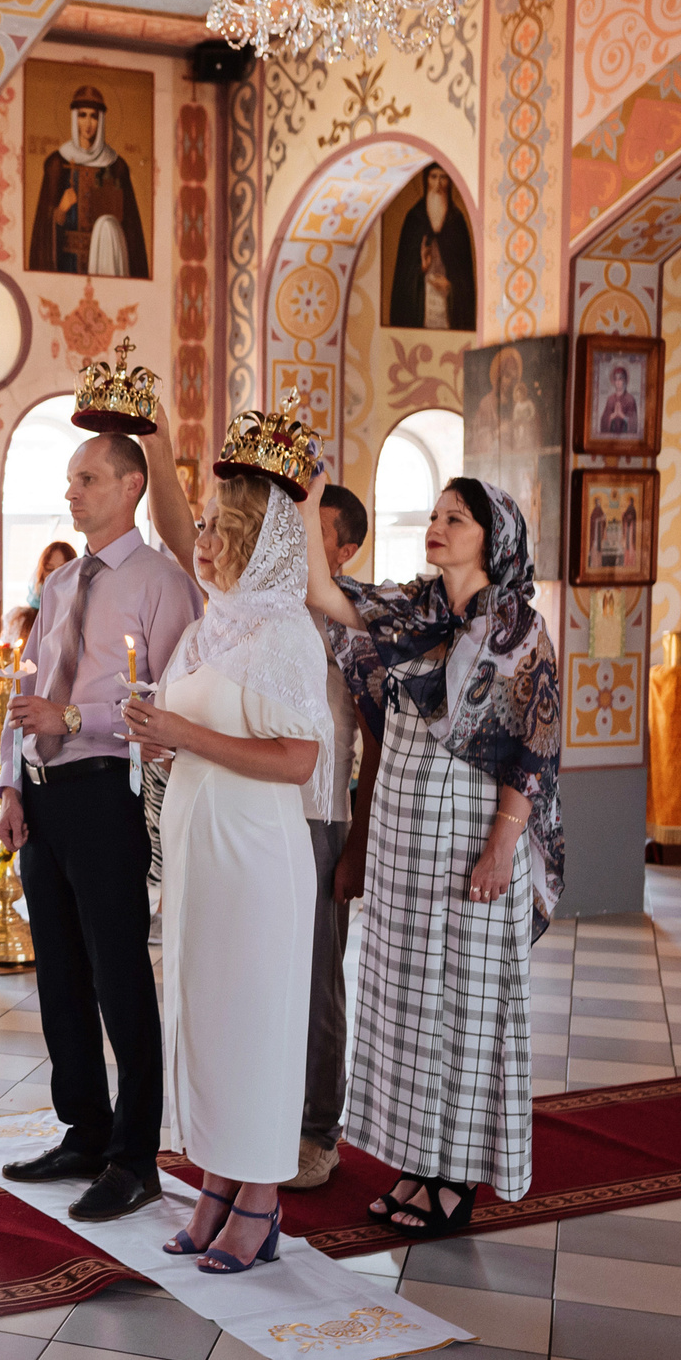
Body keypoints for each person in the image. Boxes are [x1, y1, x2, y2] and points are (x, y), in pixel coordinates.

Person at [301, 472, 563, 1238]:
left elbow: (535, 749)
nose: (437, 525)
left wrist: (500, 850)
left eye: (456, 518)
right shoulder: (413, 610)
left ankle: (456, 1180)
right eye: (435, 514)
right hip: (406, 843)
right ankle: (419, 1163)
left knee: (466, 1009)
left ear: (494, 537)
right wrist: (307, 491)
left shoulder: (517, 630)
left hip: (474, 842)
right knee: (410, 1005)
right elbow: (324, 591)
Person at [0, 434, 201, 1222]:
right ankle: (84, 1127)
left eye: (87, 478)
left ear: (131, 484)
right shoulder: (62, 582)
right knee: (59, 975)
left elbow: (175, 707)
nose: (73, 492)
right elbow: (26, 687)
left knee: (118, 977)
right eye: (70, 478)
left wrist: (76, 715)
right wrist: (11, 785)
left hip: (106, 795)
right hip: (43, 795)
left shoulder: (163, 585)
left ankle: (135, 1155)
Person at [126, 475, 325, 1269]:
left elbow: (299, 759)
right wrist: (160, 737)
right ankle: (215, 1181)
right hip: (203, 853)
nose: (203, 543)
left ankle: (260, 1202)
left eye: (222, 531)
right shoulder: (213, 628)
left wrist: (183, 731)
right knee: (207, 1017)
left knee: (255, 1026)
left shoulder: (287, 633)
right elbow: (192, 727)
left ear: (262, 544)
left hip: (257, 857)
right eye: (203, 527)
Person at [291, 481, 379, 1190]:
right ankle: (267, 1113)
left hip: (324, 816)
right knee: (271, 976)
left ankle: (318, 1129)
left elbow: (373, 739)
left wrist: (357, 843)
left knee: (320, 981)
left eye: (313, 525)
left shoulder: (356, 620)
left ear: (345, 549)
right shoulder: (271, 604)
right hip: (260, 813)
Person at [29, 84, 148, 277]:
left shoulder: (116, 166)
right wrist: (61, 210)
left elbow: (131, 230)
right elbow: (43, 231)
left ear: (101, 120)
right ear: (74, 118)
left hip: (105, 262)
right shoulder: (57, 163)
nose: (88, 123)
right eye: (82, 115)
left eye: (94, 116)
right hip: (67, 264)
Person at [386, 164, 475, 331]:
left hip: (449, 311)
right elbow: (403, 278)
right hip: (420, 308)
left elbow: (466, 279)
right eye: (433, 176)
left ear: (450, 182)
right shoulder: (414, 220)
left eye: (444, 177)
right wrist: (421, 268)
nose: (438, 184)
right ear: (425, 179)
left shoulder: (457, 222)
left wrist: (451, 286)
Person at [596, 363, 641, 439]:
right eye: (616, 379)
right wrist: (612, 416)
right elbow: (603, 421)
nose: (618, 382)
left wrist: (622, 415)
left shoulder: (630, 399)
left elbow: (634, 424)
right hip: (611, 439)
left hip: (625, 439)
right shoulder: (610, 399)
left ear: (625, 380)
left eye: (620, 379)